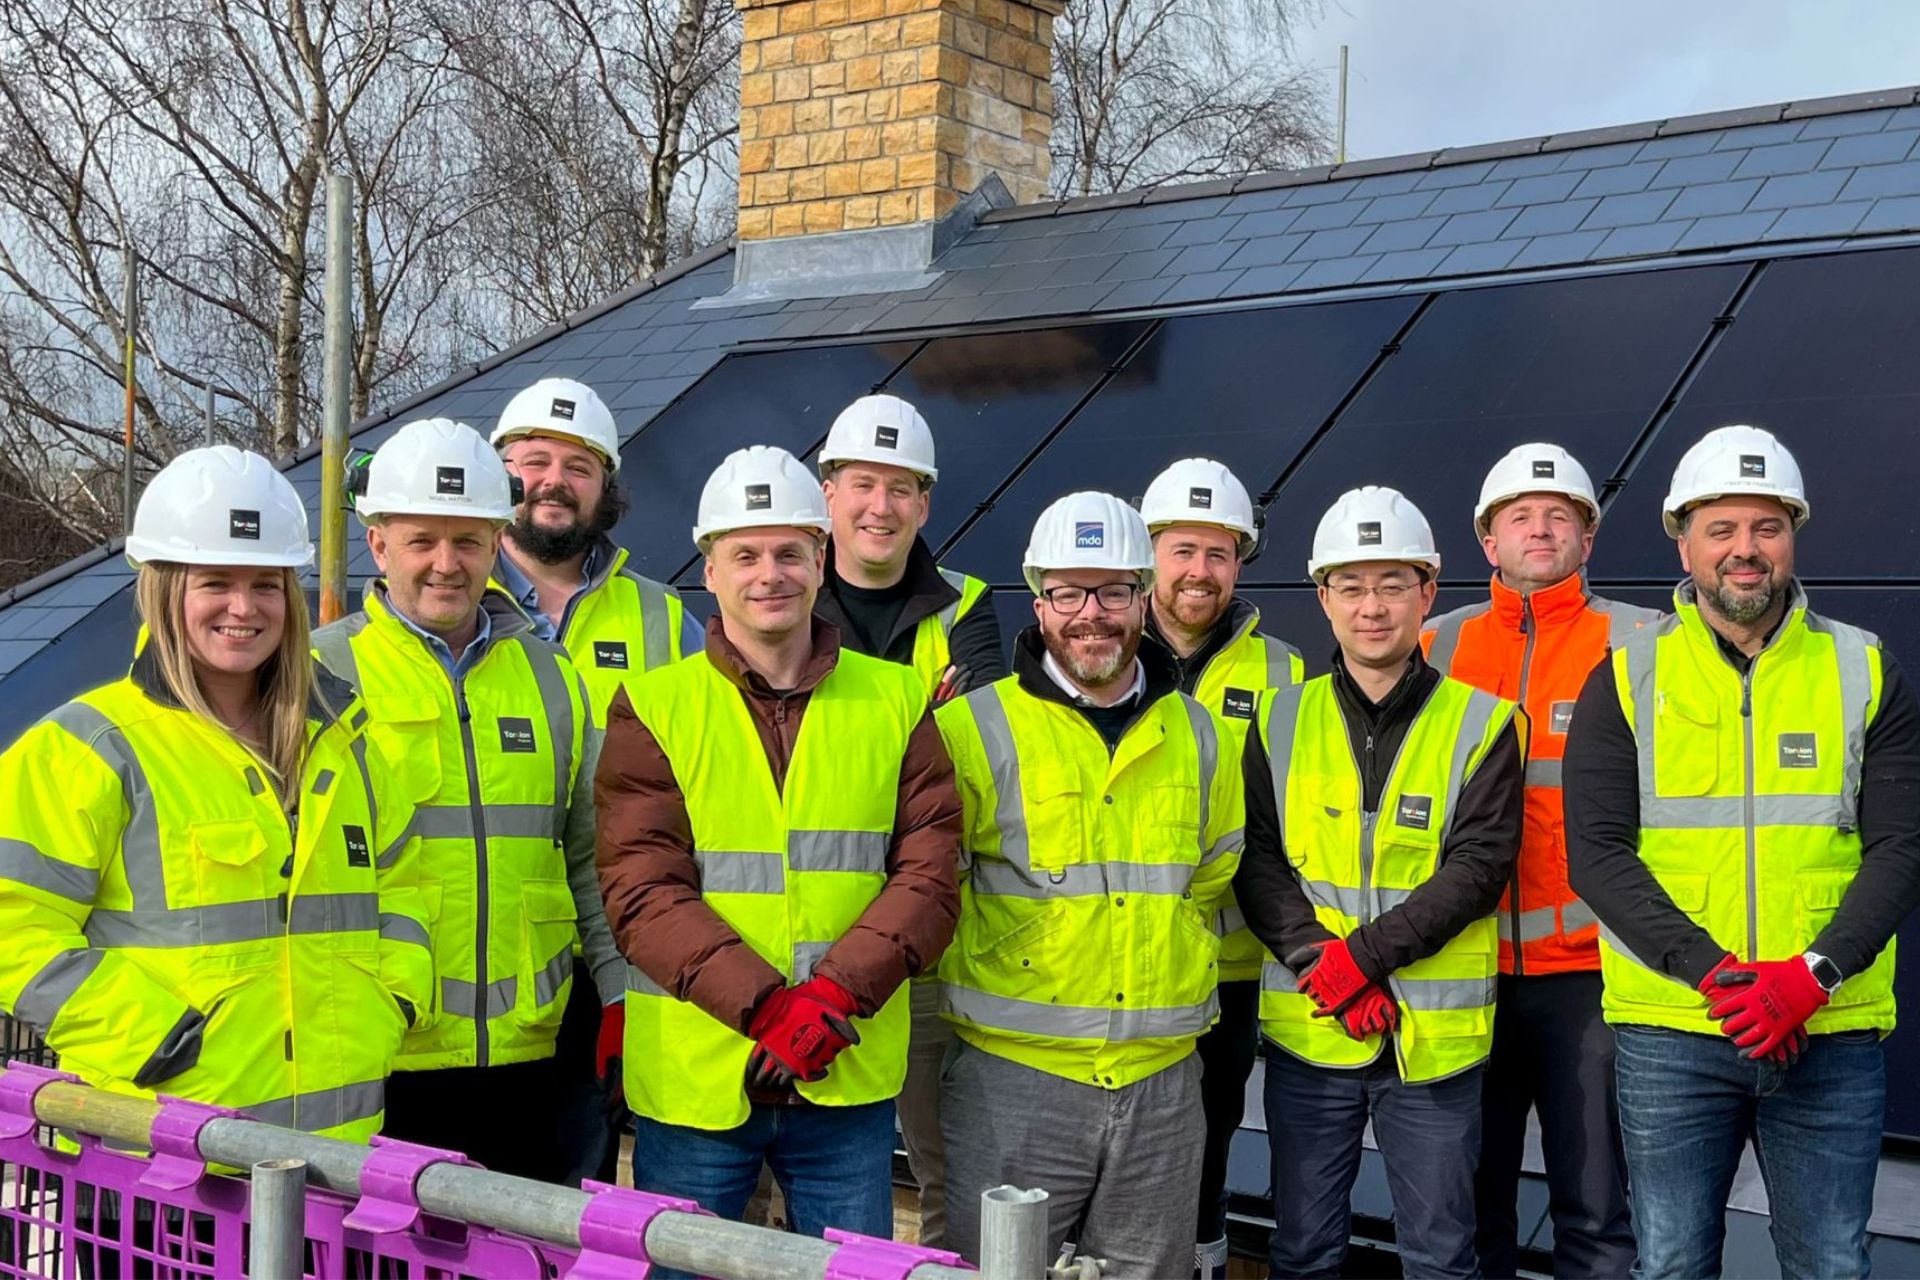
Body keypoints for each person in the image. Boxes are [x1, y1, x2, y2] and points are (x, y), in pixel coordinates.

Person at [1565, 424, 1920, 1280]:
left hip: (1830, 1029)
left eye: (1767, 527)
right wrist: (1720, 977)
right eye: (1720, 528)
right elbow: (1598, 855)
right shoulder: (1626, 676)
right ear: (1683, 543)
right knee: (1672, 1264)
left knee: (1831, 1265)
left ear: (1793, 535)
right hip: (1674, 1033)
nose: (1745, 549)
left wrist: (1811, 977)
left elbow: (1902, 846)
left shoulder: (1864, 668)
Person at [0, 446, 428, 1141]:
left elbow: (405, 882)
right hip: (160, 1159)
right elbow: (14, 927)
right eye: (216, 582)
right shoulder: (88, 748)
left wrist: (395, 1002)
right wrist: (156, 1038)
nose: (243, 607)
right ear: (166, 589)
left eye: (265, 584)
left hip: (333, 1154)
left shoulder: (343, 740)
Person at [594, 444, 959, 1255]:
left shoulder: (896, 698)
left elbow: (930, 877)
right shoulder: (652, 707)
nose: (771, 575)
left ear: (820, 562)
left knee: (853, 1278)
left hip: (844, 1076)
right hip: (698, 1085)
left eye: (790, 553)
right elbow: (643, 892)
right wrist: (770, 1011)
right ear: (710, 570)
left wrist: (829, 1000)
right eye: (746, 555)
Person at [935, 491, 1243, 1279]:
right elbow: (938, 885)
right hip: (1014, 1080)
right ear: (1038, 603)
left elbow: (1211, 876)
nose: (1091, 615)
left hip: (1161, 1083)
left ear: (1144, 598)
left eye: (1112, 591)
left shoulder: (1201, 735)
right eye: (1068, 593)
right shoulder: (970, 730)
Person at [313, 418, 621, 1184]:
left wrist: (619, 995)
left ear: (496, 543)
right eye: (422, 541)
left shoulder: (551, 676)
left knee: (536, 1246)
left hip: (537, 1058)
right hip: (380, 1054)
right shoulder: (318, 674)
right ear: (379, 544)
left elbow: (592, 858)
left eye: (468, 541)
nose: (446, 564)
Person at [1237, 485, 1524, 1280]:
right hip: (1310, 1034)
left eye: (1394, 584)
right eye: (1353, 586)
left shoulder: (1484, 722)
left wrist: (1357, 960)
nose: (1372, 607)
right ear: (1323, 597)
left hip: (1433, 1051)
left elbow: (1478, 869)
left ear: (1428, 593)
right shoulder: (1278, 719)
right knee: (1303, 1251)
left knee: (1441, 1257)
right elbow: (1256, 859)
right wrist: (1315, 961)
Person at [1421, 443, 1652, 1279]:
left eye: (1561, 516)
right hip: (1464, 966)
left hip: (1588, 975)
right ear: (1488, 540)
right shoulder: (1433, 643)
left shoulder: (1643, 641)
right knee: (1468, 1201)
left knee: (1595, 1210)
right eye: (1520, 516)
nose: (1541, 529)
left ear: (1589, 537)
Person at [490, 376, 700, 1184]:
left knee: (573, 1191)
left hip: (617, 955)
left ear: (605, 487)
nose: (554, 481)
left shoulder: (664, 619)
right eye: (534, 460)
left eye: (578, 467)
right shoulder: (447, 591)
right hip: (479, 956)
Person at [812, 391, 1005, 1248]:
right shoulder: (781, 586)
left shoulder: (966, 602)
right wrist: (919, 716)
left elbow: (984, 750)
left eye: (901, 488)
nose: (880, 507)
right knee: (800, 1156)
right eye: (863, 483)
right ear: (829, 493)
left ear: (925, 504)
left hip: (928, 931)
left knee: (943, 1162)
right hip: (805, 925)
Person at [1137, 457, 1302, 1280]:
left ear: (1240, 562)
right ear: (1150, 553)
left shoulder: (1284, 671)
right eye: (1183, 550)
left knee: (1208, 1144)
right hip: (1121, 962)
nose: (1200, 570)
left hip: (1230, 969)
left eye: (1219, 552)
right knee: (1123, 1149)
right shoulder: (1101, 647)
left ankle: (1203, 1267)